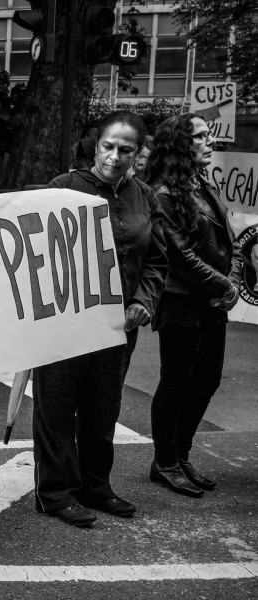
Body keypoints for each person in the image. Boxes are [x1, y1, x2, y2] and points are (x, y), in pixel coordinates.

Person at [32, 110, 167, 527]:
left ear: (137, 153)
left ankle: (95, 485)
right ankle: (54, 494)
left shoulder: (145, 197)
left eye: (125, 150)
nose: (115, 156)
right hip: (63, 326)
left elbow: (156, 262)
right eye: (109, 147)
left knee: (102, 408)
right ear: (96, 145)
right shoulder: (62, 188)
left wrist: (145, 300)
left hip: (117, 327)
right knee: (56, 408)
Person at [145, 114, 243, 498]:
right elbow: (179, 256)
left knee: (206, 380)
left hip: (213, 300)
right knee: (176, 380)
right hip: (181, 300)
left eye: (209, 134)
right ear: (180, 145)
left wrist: (232, 281)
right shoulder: (164, 194)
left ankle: (180, 456)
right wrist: (224, 285)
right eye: (201, 136)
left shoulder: (202, 185)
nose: (211, 141)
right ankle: (165, 462)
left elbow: (231, 240)